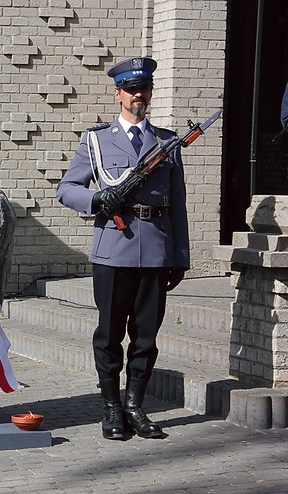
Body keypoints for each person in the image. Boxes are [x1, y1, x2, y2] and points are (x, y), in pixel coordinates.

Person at [56, 57, 190, 441]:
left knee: (146, 336)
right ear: (118, 94)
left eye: (144, 88)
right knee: (110, 333)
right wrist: (100, 199)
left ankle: (135, 406)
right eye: (131, 89)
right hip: (113, 250)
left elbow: (178, 204)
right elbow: (67, 189)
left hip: (157, 250)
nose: (138, 95)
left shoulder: (167, 142)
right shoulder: (97, 140)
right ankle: (112, 408)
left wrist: (180, 257)